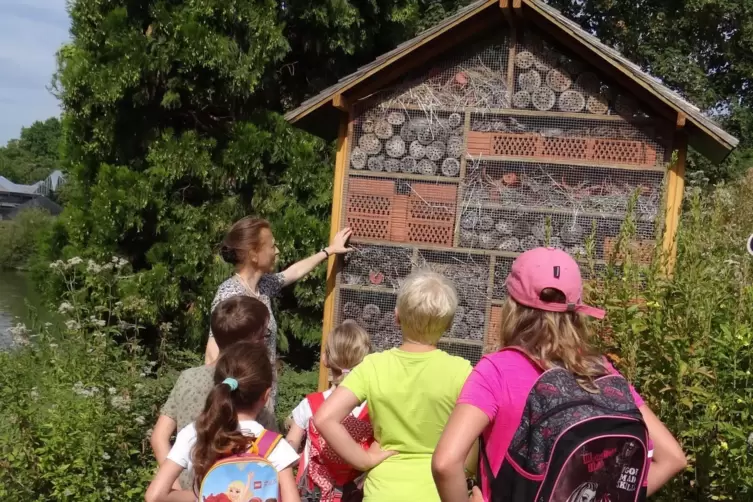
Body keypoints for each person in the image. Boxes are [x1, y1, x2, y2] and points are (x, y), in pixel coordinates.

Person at [432, 248, 687, 502]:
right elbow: (672, 458)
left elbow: (446, 463)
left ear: (512, 307)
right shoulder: (600, 371)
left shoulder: (497, 370)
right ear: (577, 312)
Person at [313, 271, 477, 502]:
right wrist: (466, 476)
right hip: (439, 492)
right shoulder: (463, 372)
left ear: (396, 317)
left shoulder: (373, 366)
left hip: (383, 491)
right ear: (449, 324)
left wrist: (364, 460)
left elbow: (324, 418)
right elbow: (475, 436)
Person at [206, 216, 353, 410]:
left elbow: (292, 273)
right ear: (254, 254)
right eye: (272, 246)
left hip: (262, 399)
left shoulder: (263, 286)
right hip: (239, 404)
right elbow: (212, 355)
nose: (277, 251)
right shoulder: (230, 295)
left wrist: (329, 251)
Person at [145, 341, 300, 502]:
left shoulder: (196, 433)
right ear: (266, 395)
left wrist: (201, 497)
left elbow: (154, 496)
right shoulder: (274, 445)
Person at [150, 296, 277, 491]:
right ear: (250, 341)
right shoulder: (253, 384)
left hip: (188, 491)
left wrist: (176, 490)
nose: (265, 342)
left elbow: (159, 436)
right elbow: (271, 453)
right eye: (264, 335)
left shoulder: (187, 378)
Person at [286, 320, 373, 502]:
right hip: (354, 494)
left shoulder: (310, 404)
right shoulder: (372, 410)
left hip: (311, 493)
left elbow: (291, 443)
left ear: (325, 359)